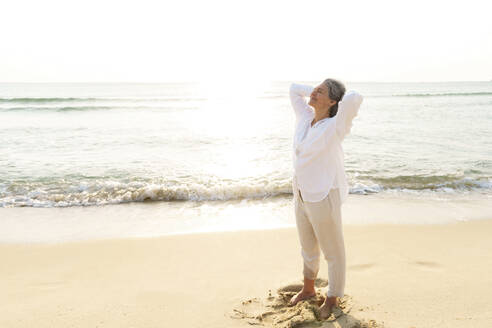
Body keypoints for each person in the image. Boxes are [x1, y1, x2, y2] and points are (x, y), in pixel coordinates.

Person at [287, 79, 363, 319]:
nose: (314, 92)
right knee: (307, 246)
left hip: (323, 195)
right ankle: (308, 289)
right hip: (300, 193)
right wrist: (317, 92)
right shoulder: (304, 118)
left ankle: (332, 297)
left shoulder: (335, 126)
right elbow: (292, 89)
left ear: (332, 101)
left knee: (333, 251)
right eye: (315, 88)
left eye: (322, 91)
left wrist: (333, 97)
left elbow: (354, 97)